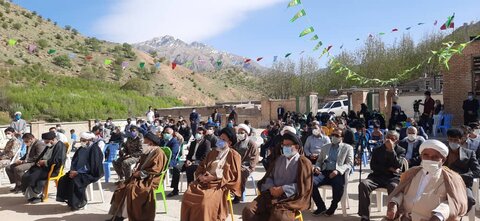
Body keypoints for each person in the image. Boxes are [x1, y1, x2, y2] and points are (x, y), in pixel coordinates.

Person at [386, 139, 468, 220]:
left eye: (435, 157)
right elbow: (401, 193)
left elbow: (453, 203)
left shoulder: (451, 178)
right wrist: (394, 203)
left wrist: (438, 216)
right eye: (426, 155)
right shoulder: (411, 173)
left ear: (443, 160)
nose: (430, 159)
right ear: (421, 156)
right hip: (405, 217)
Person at [242, 131, 312, 221]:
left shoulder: (304, 162)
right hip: (271, 194)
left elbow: (304, 185)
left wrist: (283, 189)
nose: (285, 148)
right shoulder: (279, 159)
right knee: (248, 210)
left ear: (297, 147)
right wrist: (271, 188)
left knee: (279, 217)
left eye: (288, 145)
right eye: (284, 145)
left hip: (289, 198)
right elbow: (270, 176)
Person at [181, 127, 242, 221]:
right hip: (203, 181)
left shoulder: (234, 155)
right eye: (219, 138)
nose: (220, 141)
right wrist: (200, 176)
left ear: (229, 143)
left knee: (204, 202)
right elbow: (201, 166)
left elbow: (234, 175)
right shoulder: (213, 152)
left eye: (223, 140)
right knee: (187, 196)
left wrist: (214, 177)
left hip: (219, 184)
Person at [107, 132, 167, 221]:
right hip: (141, 177)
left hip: (151, 179)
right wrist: (136, 169)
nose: (143, 144)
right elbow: (141, 163)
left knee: (132, 189)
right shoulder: (148, 151)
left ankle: (124, 216)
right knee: (121, 187)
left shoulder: (159, 153)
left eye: (144, 142)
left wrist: (140, 173)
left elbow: (156, 170)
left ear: (150, 143)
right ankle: (118, 215)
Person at [358, 130, 406, 221]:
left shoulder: (400, 150)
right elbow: (373, 166)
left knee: (394, 186)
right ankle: (364, 215)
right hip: (377, 176)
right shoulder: (377, 149)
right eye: (387, 138)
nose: (389, 140)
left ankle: (393, 214)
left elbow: (398, 164)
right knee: (363, 184)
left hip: (392, 177)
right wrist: (388, 168)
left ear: (397, 140)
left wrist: (391, 150)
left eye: (392, 139)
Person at [56, 132, 104, 211]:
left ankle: (77, 203)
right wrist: (72, 170)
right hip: (77, 171)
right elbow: (74, 161)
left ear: (90, 140)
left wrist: (78, 172)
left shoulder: (95, 149)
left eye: (84, 140)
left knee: (76, 181)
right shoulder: (81, 149)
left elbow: (93, 166)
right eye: (81, 140)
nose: (82, 142)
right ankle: (70, 201)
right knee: (63, 179)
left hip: (90, 173)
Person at [311, 128, 354, 216]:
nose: (334, 137)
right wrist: (317, 168)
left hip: (337, 172)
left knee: (338, 185)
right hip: (324, 171)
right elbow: (319, 161)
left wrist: (338, 171)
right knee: (310, 182)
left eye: (337, 135)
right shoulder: (325, 147)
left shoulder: (347, 148)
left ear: (342, 137)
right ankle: (321, 206)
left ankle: (333, 206)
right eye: (333, 135)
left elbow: (349, 164)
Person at [21, 131, 66, 203]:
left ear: (52, 139)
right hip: (43, 167)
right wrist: (38, 162)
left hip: (52, 168)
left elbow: (58, 161)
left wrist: (45, 162)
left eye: (47, 141)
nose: (45, 143)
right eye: (45, 141)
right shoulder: (49, 145)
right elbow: (41, 156)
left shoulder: (60, 146)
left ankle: (37, 196)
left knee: (33, 177)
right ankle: (30, 195)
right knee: (26, 175)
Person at [445, 128, 480, 212]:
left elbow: (477, 171)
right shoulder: (442, 152)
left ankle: (458, 215)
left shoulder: (469, 153)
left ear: (461, 140)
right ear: (448, 139)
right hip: (443, 181)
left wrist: (459, 177)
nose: (453, 142)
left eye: (456, 140)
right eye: (451, 139)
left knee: (469, 200)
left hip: (462, 183)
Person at [232, 124, 259, 203]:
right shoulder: (237, 144)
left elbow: (255, 158)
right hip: (237, 165)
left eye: (242, 132)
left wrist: (249, 166)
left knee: (241, 173)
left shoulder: (252, 144)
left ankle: (238, 195)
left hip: (247, 166)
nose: (240, 134)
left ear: (246, 133)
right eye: (239, 133)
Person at [162, 127, 180, 196]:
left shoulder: (174, 142)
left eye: (168, 133)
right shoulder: (163, 141)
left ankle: (175, 190)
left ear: (172, 134)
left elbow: (173, 154)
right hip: (162, 159)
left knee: (176, 169)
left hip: (172, 161)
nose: (166, 134)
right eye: (165, 132)